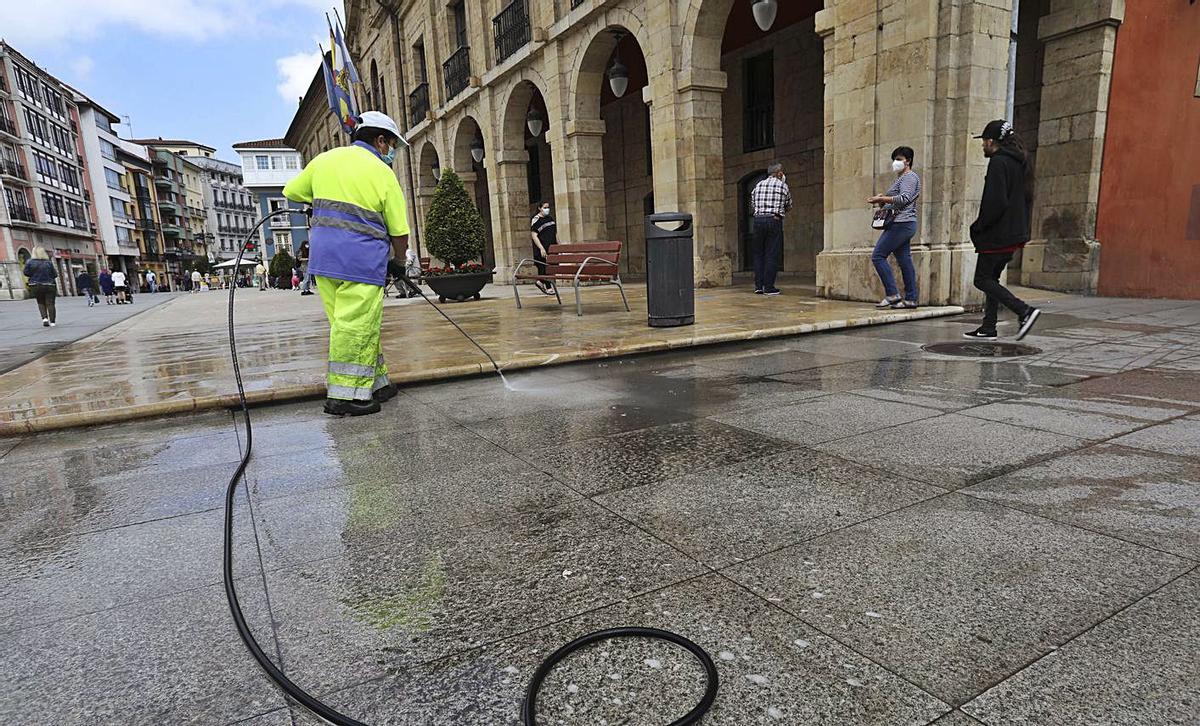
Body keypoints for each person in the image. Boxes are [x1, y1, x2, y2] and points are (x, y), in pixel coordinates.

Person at [283, 110, 410, 416]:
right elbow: (400, 231)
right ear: (380, 140)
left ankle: (376, 384)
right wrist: (400, 261)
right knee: (355, 328)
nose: (391, 152)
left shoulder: (325, 160)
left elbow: (292, 191)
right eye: (391, 145)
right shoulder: (382, 173)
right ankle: (344, 397)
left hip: (324, 262)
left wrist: (321, 197)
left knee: (353, 326)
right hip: (362, 263)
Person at [964, 119, 1041, 341]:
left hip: (997, 235)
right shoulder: (1020, 162)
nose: (982, 146)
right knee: (992, 279)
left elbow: (995, 202)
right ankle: (988, 327)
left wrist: (978, 227)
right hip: (1014, 233)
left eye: (984, 141)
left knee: (982, 280)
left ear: (992, 141)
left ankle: (1024, 311)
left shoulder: (998, 162)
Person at [868, 146, 922, 309]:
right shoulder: (903, 178)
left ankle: (892, 294)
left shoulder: (909, 177)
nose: (895, 163)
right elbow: (900, 198)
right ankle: (911, 298)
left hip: (901, 223)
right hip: (904, 223)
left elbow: (904, 198)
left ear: (908, 161)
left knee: (878, 256)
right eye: (895, 159)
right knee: (904, 260)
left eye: (899, 159)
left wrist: (883, 198)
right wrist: (882, 200)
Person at [749, 162, 792, 296]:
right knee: (771, 253)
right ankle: (769, 287)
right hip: (774, 220)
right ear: (779, 173)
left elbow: (753, 203)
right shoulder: (783, 186)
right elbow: (789, 205)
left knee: (758, 254)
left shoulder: (758, 185)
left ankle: (758, 286)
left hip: (758, 221)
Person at [24, 247, 58, 327]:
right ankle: (52, 322)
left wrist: (33, 275)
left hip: (35, 285)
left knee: (40, 302)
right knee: (50, 303)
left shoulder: (29, 262)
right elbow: (55, 274)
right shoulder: (48, 262)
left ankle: (44, 319)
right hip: (49, 284)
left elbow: (26, 273)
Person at [530, 201, 558, 295]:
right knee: (544, 267)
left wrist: (559, 245)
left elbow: (555, 233)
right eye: (545, 207)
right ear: (539, 208)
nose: (547, 209)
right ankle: (548, 286)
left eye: (548, 207)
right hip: (542, 248)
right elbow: (534, 235)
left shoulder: (550, 218)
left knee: (551, 267)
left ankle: (541, 282)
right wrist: (541, 248)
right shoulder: (536, 220)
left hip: (552, 247)